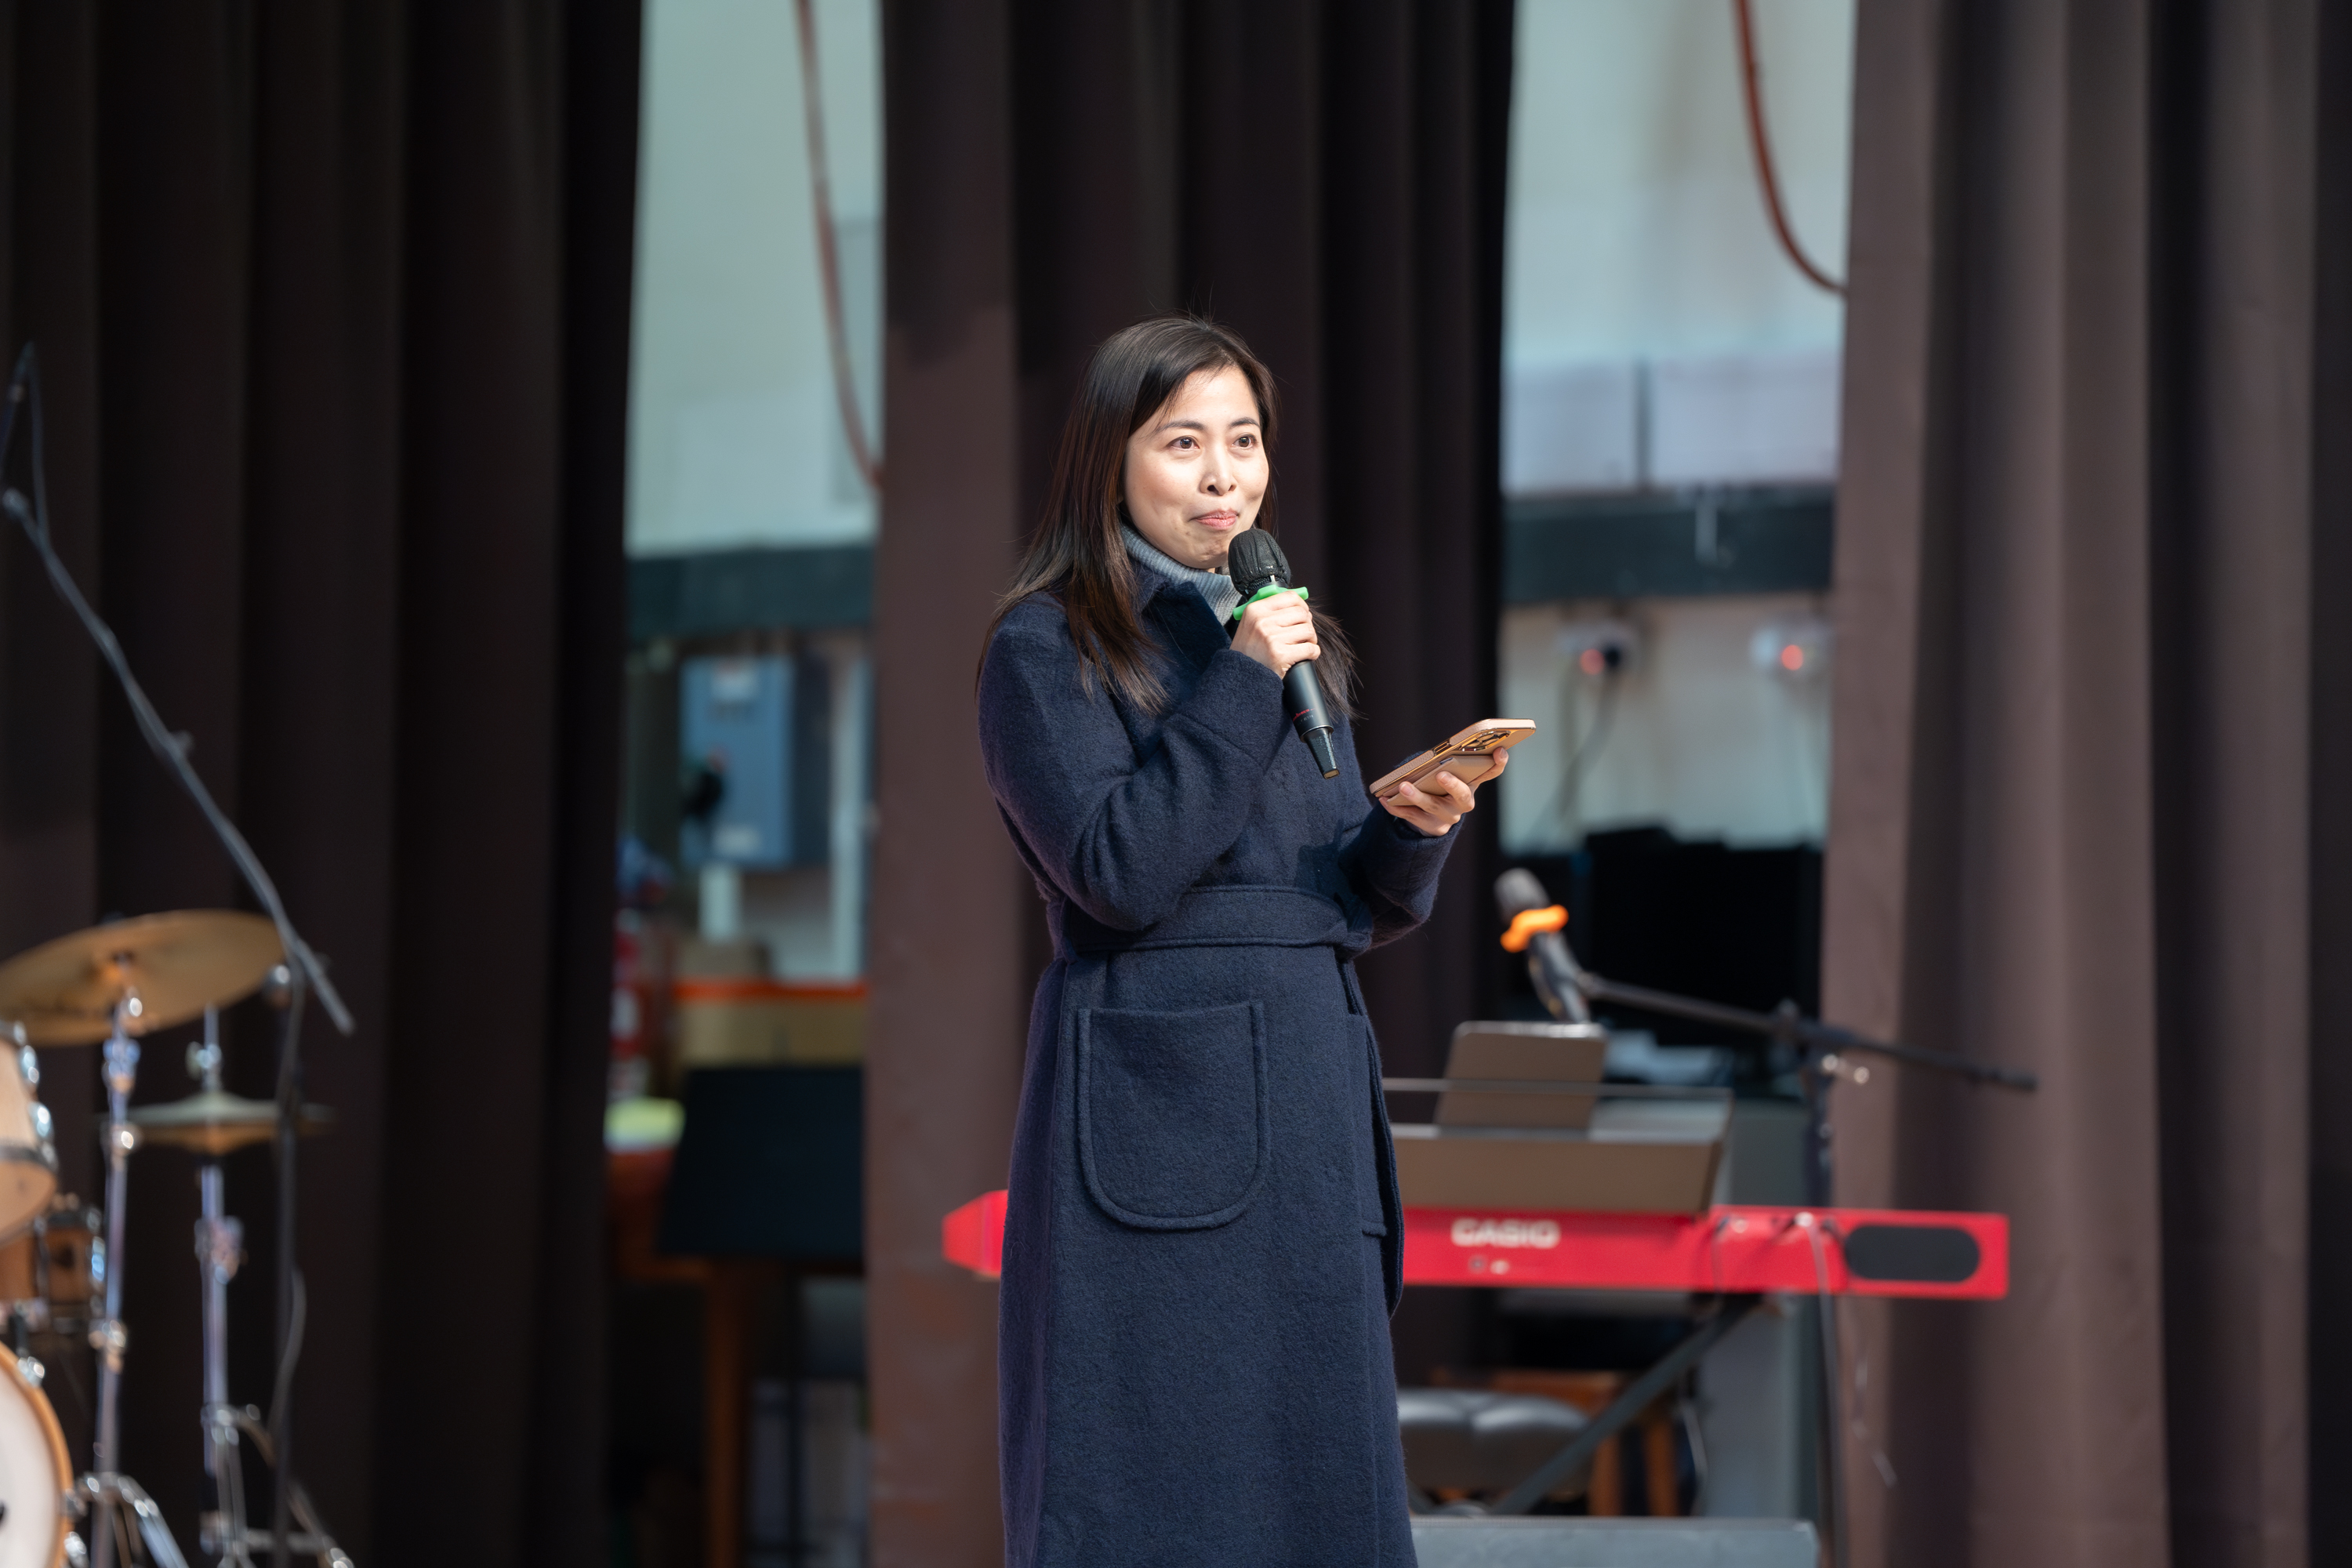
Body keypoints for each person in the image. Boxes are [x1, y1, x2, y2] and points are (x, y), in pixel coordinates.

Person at [975, 315, 1503, 1566]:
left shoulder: (1275, 633)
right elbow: (1119, 873)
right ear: (1110, 460)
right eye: (1184, 444)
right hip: (1155, 1122)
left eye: (1246, 440)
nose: (1225, 476)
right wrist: (1248, 678)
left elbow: (1331, 902)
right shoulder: (1045, 645)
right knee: (1151, 1495)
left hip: (1309, 1115)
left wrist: (1408, 829)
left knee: (1321, 1497)